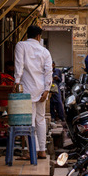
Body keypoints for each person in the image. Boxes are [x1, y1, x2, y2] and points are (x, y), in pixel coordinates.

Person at [14, 25, 52, 160]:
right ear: (38, 36)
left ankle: (33, 151)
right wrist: (47, 89)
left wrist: (16, 82)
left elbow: (19, 65)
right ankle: (42, 150)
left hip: (27, 89)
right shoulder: (44, 51)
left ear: (27, 35)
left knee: (29, 121)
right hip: (41, 89)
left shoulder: (21, 45)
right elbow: (48, 71)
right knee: (40, 120)